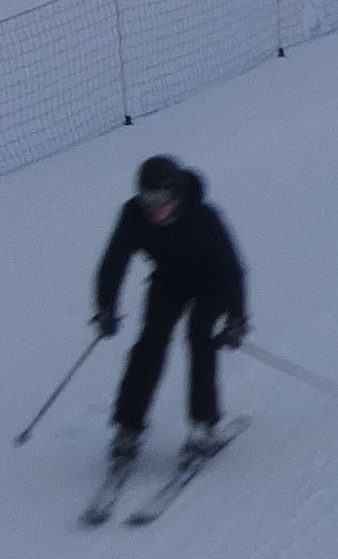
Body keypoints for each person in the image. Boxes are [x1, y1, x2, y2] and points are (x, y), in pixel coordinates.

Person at [93, 155, 248, 464]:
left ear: (175, 194)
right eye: (147, 199)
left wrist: (236, 319)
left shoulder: (203, 217)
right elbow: (114, 261)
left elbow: (231, 269)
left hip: (211, 281)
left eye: (160, 199)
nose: (153, 208)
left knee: (199, 337)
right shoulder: (133, 216)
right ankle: (128, 427)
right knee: (150, 342)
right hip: (169, 279)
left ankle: (203, 425)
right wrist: (106, 306)